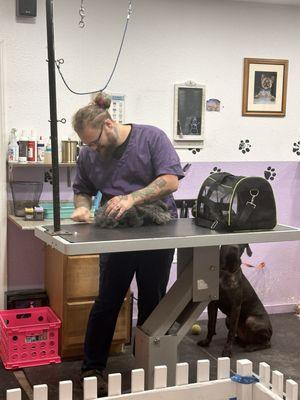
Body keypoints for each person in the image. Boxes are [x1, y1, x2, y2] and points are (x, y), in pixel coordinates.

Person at [71, 92, 184, 396]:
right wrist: (82, 206)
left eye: (95, 142)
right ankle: (93, 367)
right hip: (116, 232)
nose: (92, 149)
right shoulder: (88, 153)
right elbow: (83, 188)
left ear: (109, 124)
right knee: (107, 300)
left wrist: (132, 197)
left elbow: (171, 180)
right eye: (87, 145)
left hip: (156, 229)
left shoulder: (151, 138)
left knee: (153, 299)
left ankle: (149, 365)